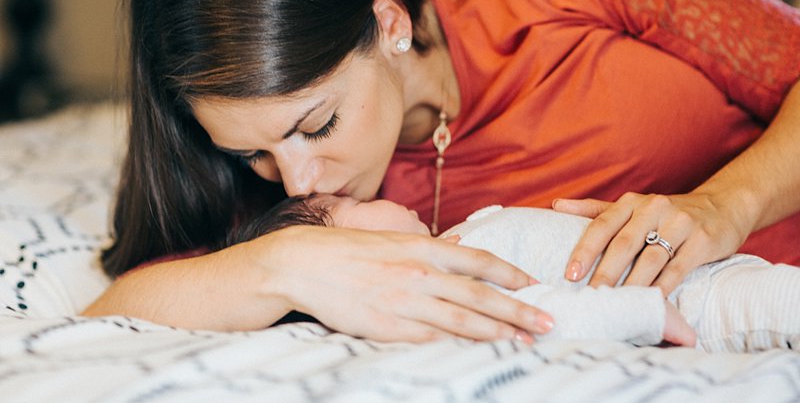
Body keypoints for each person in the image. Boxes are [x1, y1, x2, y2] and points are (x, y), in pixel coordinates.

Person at [82, 0, 800, 343]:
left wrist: (721, 206)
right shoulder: (298, 197)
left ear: (391, 23)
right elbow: (123, 302)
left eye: (317, 124)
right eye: (253, 154)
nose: (297, 181)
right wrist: (282, 263)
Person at [220, 194, 800, 352]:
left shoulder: (455, 242)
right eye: (343, 203)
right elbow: (540, 314)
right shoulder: (439, 287)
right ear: (351, 249)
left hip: (703, 266)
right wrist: (643, 313)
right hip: (694, 303)